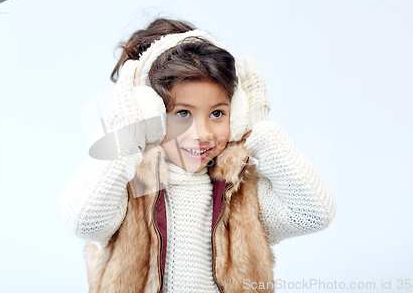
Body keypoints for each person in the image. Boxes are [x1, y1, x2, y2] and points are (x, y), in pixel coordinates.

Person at [59, 18, 336, 293]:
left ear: (236, 115)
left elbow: (315, 213)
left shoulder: (239, 191)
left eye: (217, 113)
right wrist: (124, 137)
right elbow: (84, 220)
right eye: (182, 113)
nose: (202, 133)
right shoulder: (128, 186)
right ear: (150, 115)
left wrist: (261, 131)